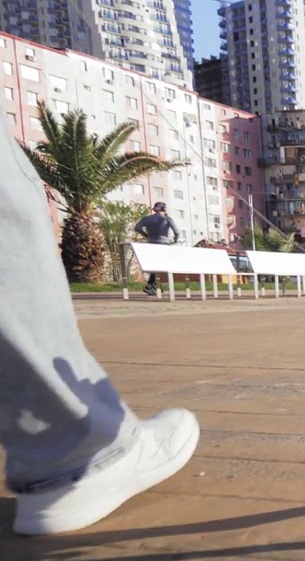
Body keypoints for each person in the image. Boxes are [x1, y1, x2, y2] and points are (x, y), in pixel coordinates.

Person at [1, 122, 201, 536]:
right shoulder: (162, 221)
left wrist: (143, 232)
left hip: (149, 248)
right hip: (161, 251)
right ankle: (71, 453)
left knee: (153, 273)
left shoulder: (148, 220)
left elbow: (142, 229)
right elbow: (174, 232)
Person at [133, 201, 181, 296]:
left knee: (156, 266)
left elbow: (137, 228)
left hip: (151, 243)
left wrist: (146, 235)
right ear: (164, 209)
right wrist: (175, 240)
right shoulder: (167, 219)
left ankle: (155, 286)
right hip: (163, 244)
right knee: (160, 266)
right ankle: (150, 285)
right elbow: (177, 232)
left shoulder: (147, 219)